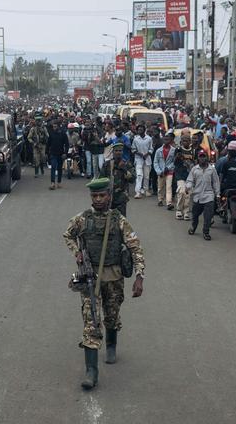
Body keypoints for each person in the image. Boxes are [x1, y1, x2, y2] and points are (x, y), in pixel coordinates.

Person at [62, 177, 145, 391]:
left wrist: (139, 276)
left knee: (111, 315)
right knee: (91, 322)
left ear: (109, 196)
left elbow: (135, 248)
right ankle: (91, 372)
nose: (98, 199)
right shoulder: (82, 219)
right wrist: (78, 253)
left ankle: (111, 344)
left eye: (102, 195)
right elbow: (67, 235)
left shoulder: (118, 220)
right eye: (94, 196)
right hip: (91, 279)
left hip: (114, 277)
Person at [186, 150, 220, 241]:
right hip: (197, 196)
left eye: (204, 156)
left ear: (207, 157)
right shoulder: (194, 169)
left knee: (208, 216)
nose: (202, 158)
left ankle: (206, 232)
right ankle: (193, 227)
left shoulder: (212, 169)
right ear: (198, 158)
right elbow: (189, 180)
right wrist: (188, 187)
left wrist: (218, 194)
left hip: (208, 195)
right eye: (200, 156)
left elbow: (216, 182)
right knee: (195, 215)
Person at [99, 143, 135, 216]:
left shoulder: (127, 164)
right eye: (116, 151)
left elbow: (132, 179)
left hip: (121, 198)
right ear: (113, 152)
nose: (118, 152)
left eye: (120, 151)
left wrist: (124, 169)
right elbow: (101, 180)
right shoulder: (107, 164)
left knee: (121, 221)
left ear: (122, 152)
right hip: (108, 197)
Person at [173, 132, 195, 220]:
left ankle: (186, 211)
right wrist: (177, 157)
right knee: (181, 192)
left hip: (189, 175)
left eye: (187, 141)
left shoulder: (193, 150)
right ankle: (178, 210)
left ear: (190, 141)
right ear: (181, 141)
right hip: (180, 174)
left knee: (188, 194)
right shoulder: (178, 149)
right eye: (183, 141)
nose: (185, 142)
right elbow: (174, 163)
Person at [153, 133, 176, 210]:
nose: (166, 140)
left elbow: (174, 162)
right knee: (160, 187)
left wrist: (168, 168)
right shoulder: (158, 150)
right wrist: (159, 171)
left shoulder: (173, 150)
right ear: (163, 140)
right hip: (161, 172)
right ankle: (160, 199)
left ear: (170, 140)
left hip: (169, 172)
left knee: (169, 187)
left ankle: (169, 203)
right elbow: (155, 162)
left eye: (168, 139)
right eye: (165, 139)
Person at [131, 124, 153, 198]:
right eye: (138, 129)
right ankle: (138, 192)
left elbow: (151, 149)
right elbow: (133, 149)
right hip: (138, 159)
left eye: (141, 129)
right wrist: (139, 154)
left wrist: (147, 154)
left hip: (147, 159)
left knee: (146, 176)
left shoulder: (149, 139)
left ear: (144, 130)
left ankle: (146, 190)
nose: (139, 131)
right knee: (139, 175)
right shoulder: (136, 139)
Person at [47, 122, 69, 190]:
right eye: (53, 126)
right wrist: (46, 153)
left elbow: (67, 144)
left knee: (59, 169)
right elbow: (48, 144)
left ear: (59, 127)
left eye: (55, 126)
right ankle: (52, 183)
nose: (54, 128)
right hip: (53, 154)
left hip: (61, 154)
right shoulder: (51, 134)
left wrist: (65, 153)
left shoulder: (63, 134)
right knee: (53, 167)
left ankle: (59, 182)